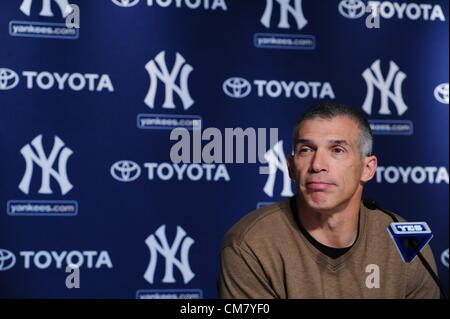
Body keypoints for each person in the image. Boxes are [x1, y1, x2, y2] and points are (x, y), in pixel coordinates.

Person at [218, 103, 440, 299]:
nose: (317, 164)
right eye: (306, 150)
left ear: (367, 168)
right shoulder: (251, 244)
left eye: (337, 150)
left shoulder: (407, 243)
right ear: (291, 167)